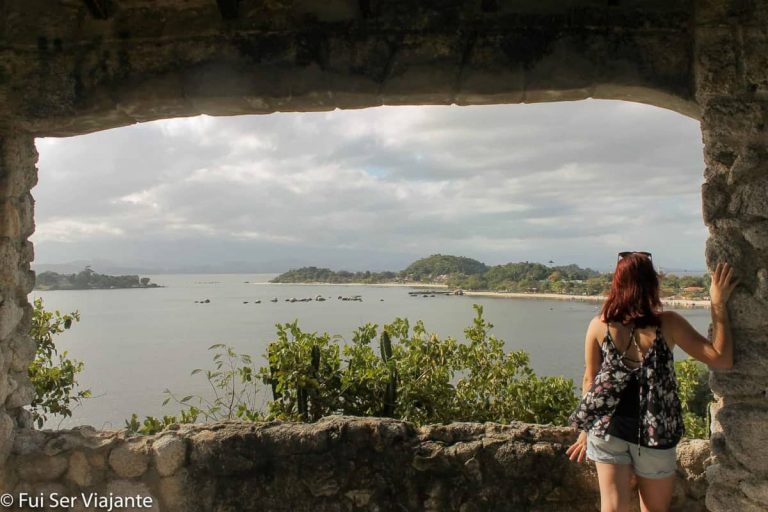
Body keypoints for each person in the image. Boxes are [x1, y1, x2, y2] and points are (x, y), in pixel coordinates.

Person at [565, 252, 738, 512]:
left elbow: (591, 381)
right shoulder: (668, 324)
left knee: (611, 508)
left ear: (617, 285)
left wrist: (585, 431)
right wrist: (717, 305)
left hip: (607, 430)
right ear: (651, 285)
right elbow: (720, 359)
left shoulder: (599, 326)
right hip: (655, 435)